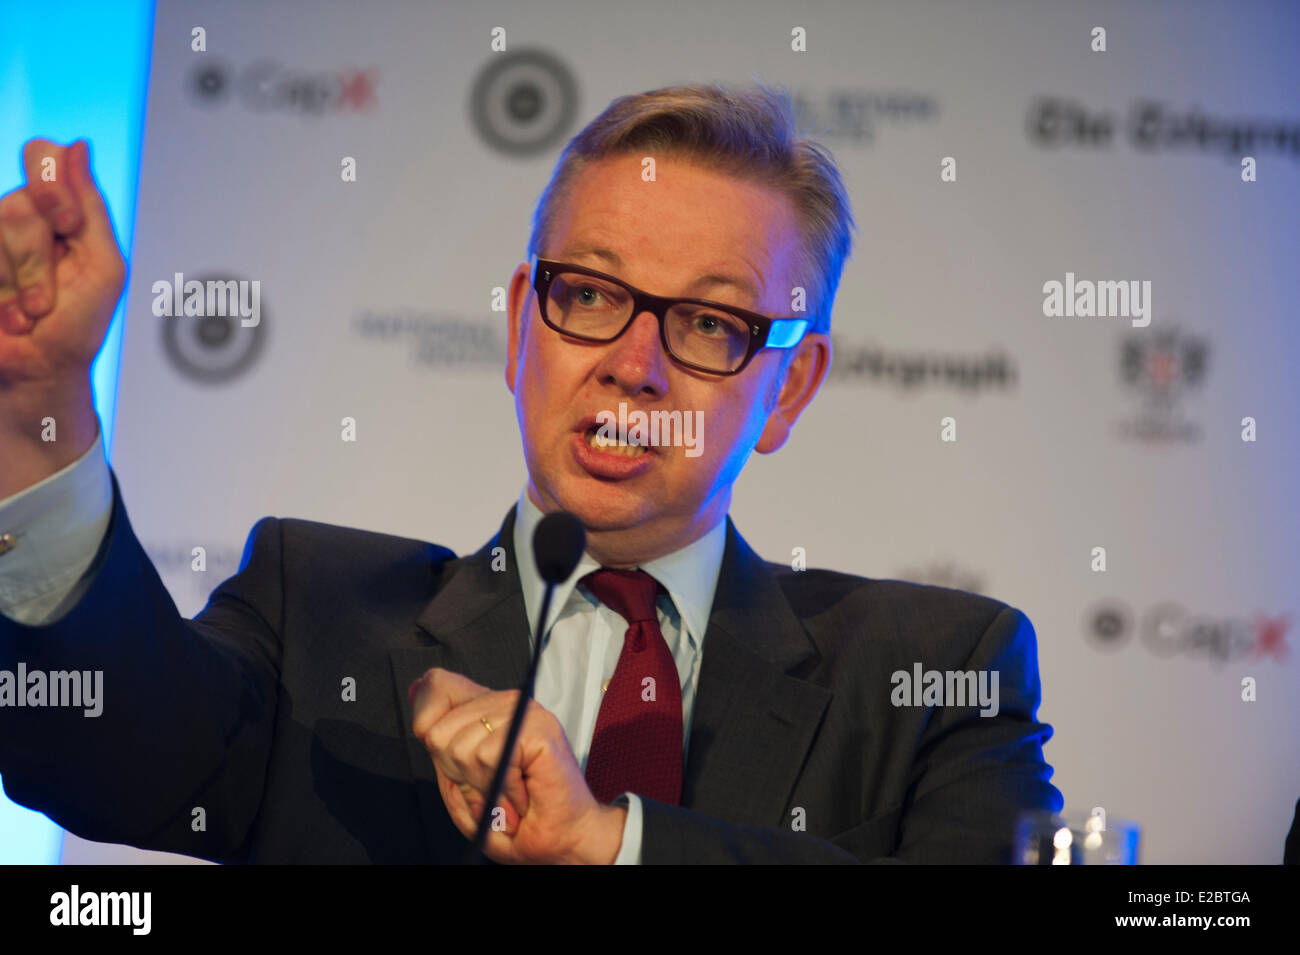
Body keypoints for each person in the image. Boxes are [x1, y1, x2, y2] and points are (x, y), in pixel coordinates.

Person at [0, 83, 1063, 864]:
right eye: (591, 294)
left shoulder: (931, 677)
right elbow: (104, 755)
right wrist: (42, 405)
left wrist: (615, 844)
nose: (632, 366)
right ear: (520, 327)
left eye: (706, 321)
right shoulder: (315, 608)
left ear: (787, 390)